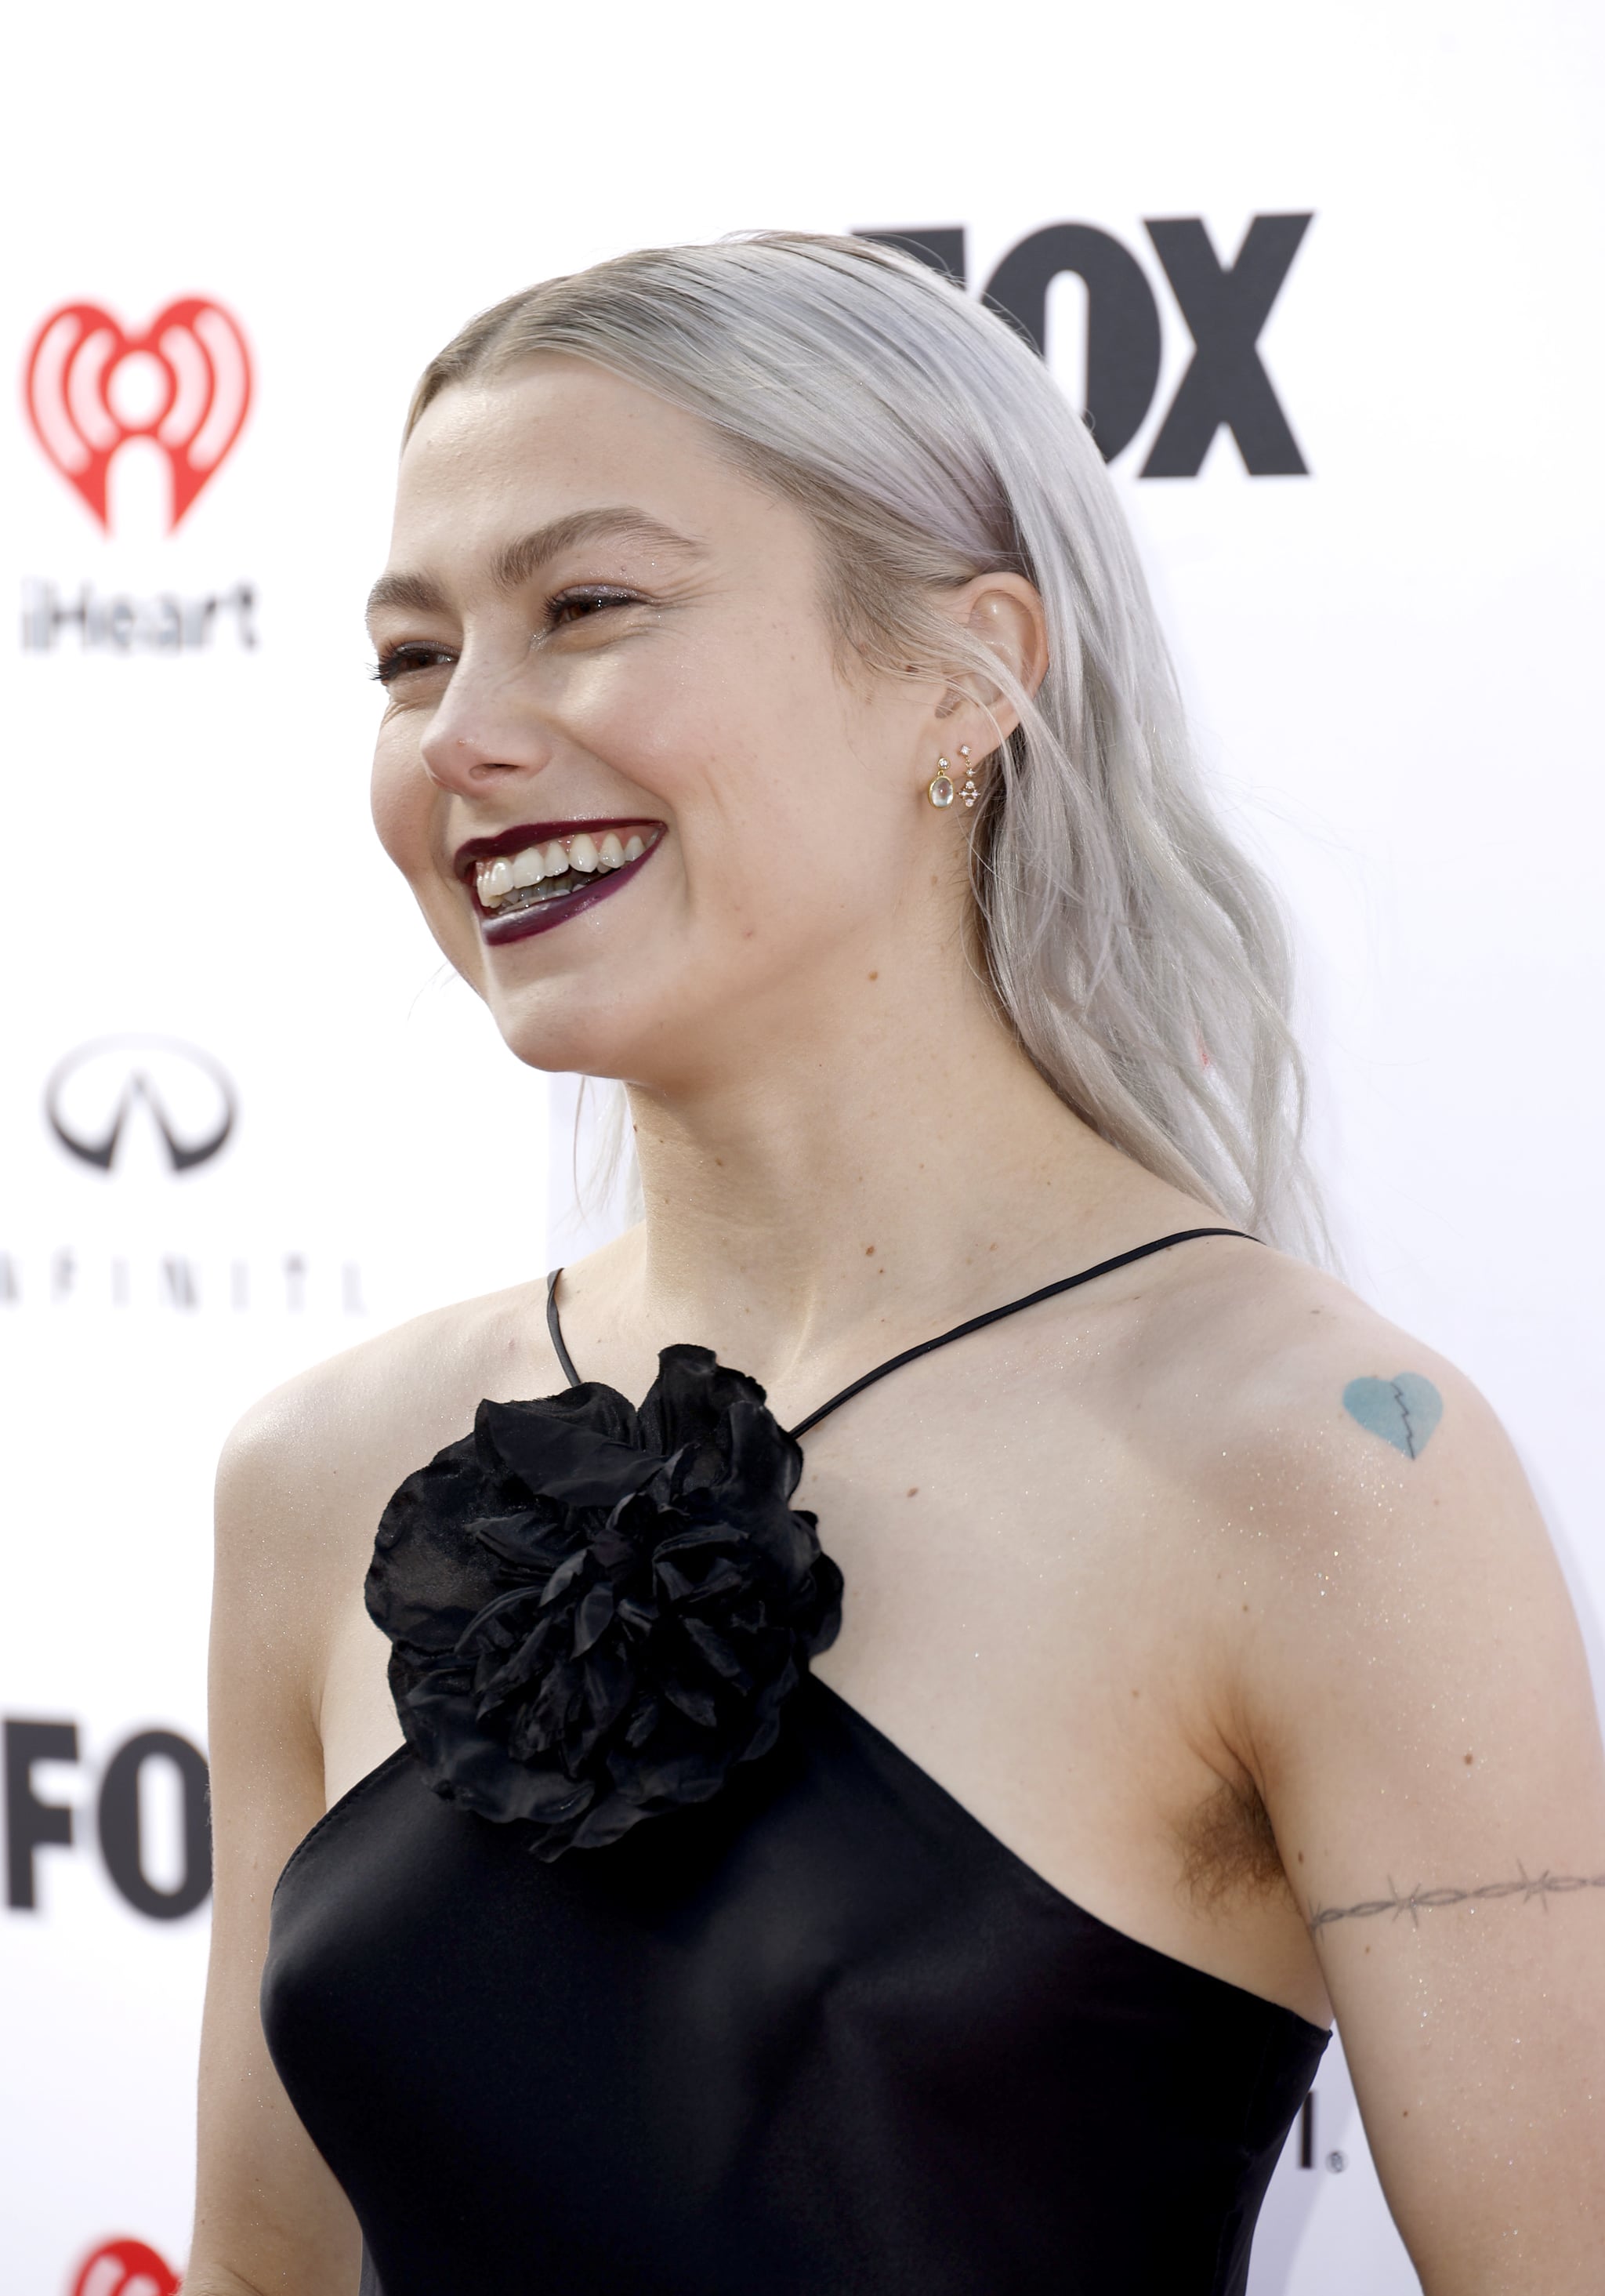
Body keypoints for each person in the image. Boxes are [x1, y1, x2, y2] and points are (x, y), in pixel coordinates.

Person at [188, 234, 1605, 2295]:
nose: (463, 738)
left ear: (963, 674)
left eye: (585, 608)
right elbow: (256, 2275)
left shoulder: (1316, 1465)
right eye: (410, 660)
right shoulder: (319, 1472)